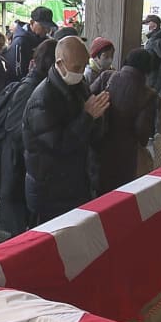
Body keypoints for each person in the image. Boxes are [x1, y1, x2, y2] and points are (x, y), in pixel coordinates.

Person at [23, 36, 109, 224]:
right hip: (50, 190)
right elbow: (58, 146)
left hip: (75, 182)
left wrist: (98, 116)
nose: (80, 72)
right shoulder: (42, 99)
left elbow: (92, 136)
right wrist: (87, 117)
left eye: (84, 66)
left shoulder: (79, 86)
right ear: (60, 64)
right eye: (77, 68)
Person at [0, 39, 56, 236]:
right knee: (15, 227)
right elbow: (15, 130)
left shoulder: (41, 85)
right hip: (16, 166)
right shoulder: (32, 89)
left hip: (20, 166)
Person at [90, 49, 157, 194]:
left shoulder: (106, 76)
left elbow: (88, 100)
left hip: (98, 145)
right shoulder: (147, 94)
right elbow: (142, 134)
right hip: (124, 155)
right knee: (118, 196)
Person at [4, 7, 57, 80]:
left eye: (48, 27)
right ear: (32, 22)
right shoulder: (20, 42)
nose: (47, 30)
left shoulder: (45, 39)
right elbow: (17, 73)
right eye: (43, 26)